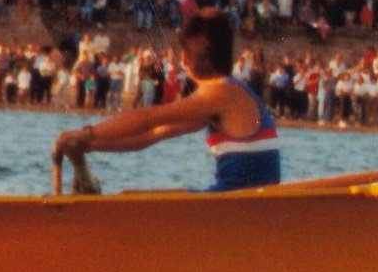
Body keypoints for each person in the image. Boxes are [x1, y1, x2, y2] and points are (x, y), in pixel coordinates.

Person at [52, 12, 282, 191]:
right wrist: (88, 145)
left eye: (184, 52)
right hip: (242, 205)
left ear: (196, 57)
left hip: (236, 208)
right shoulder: (228, 93)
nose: (181, 59)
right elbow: (152, 134)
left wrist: (85, 134)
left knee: (137, 199)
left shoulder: (219, 94)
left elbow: (149, 118)